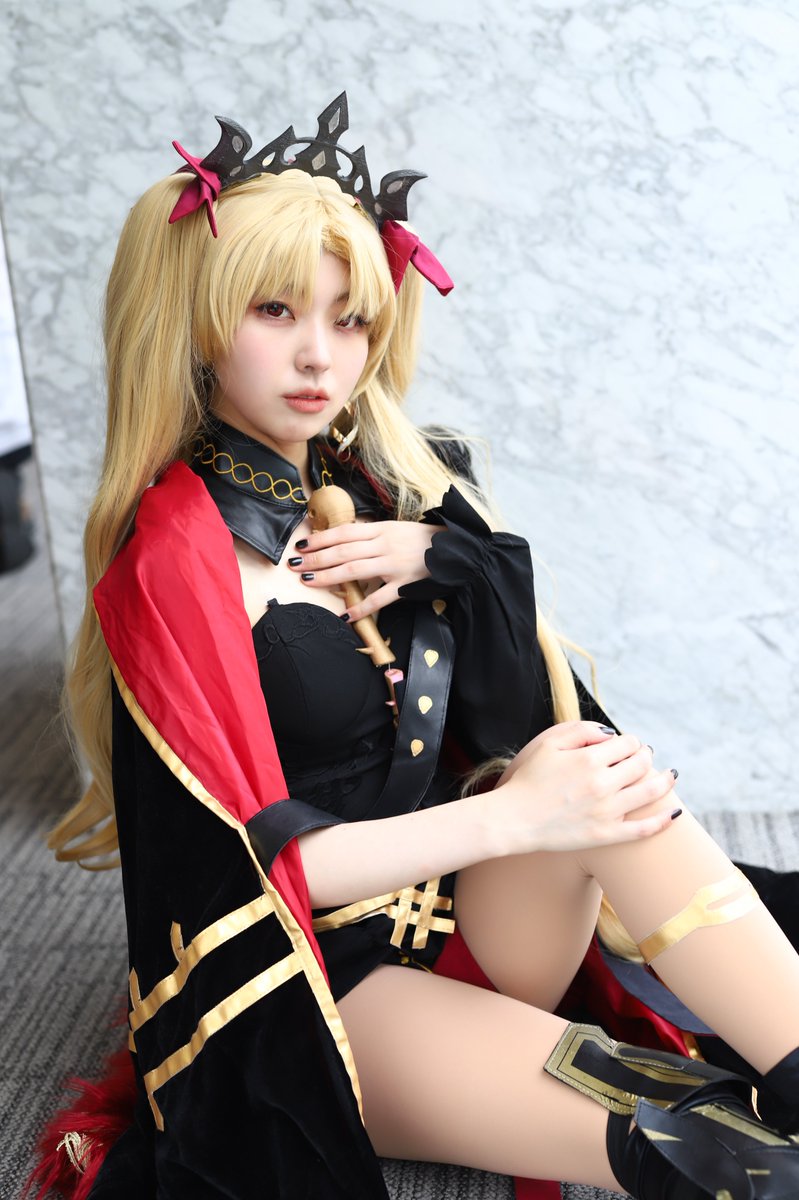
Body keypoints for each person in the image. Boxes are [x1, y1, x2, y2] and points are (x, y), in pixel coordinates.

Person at [33, 95, 799, 1200]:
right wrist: (517, 818)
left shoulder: (384, 487)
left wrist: (448, 561)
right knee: (725, 1146)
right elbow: (249, 872)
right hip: (328, 984)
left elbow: (518, 718)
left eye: (351, 321)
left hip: (475, 917)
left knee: (585, 761)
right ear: (197, 320)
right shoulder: (173, 563)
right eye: (275, 310)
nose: (320, 355)